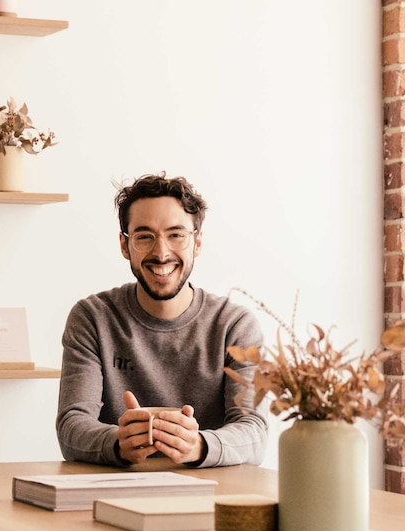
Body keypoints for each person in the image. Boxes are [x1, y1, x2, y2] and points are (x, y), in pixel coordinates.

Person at [55, 172, 268, 468]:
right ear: (124, 245)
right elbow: (71, 425)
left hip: (212, 494)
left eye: (176, 235)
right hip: (111, 491)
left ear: (197, 243)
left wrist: (199, 446)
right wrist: (117, 442)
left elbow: (254, 432)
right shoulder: (93, 318)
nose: (161, 252)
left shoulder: (235, 326)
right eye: (144, 236)